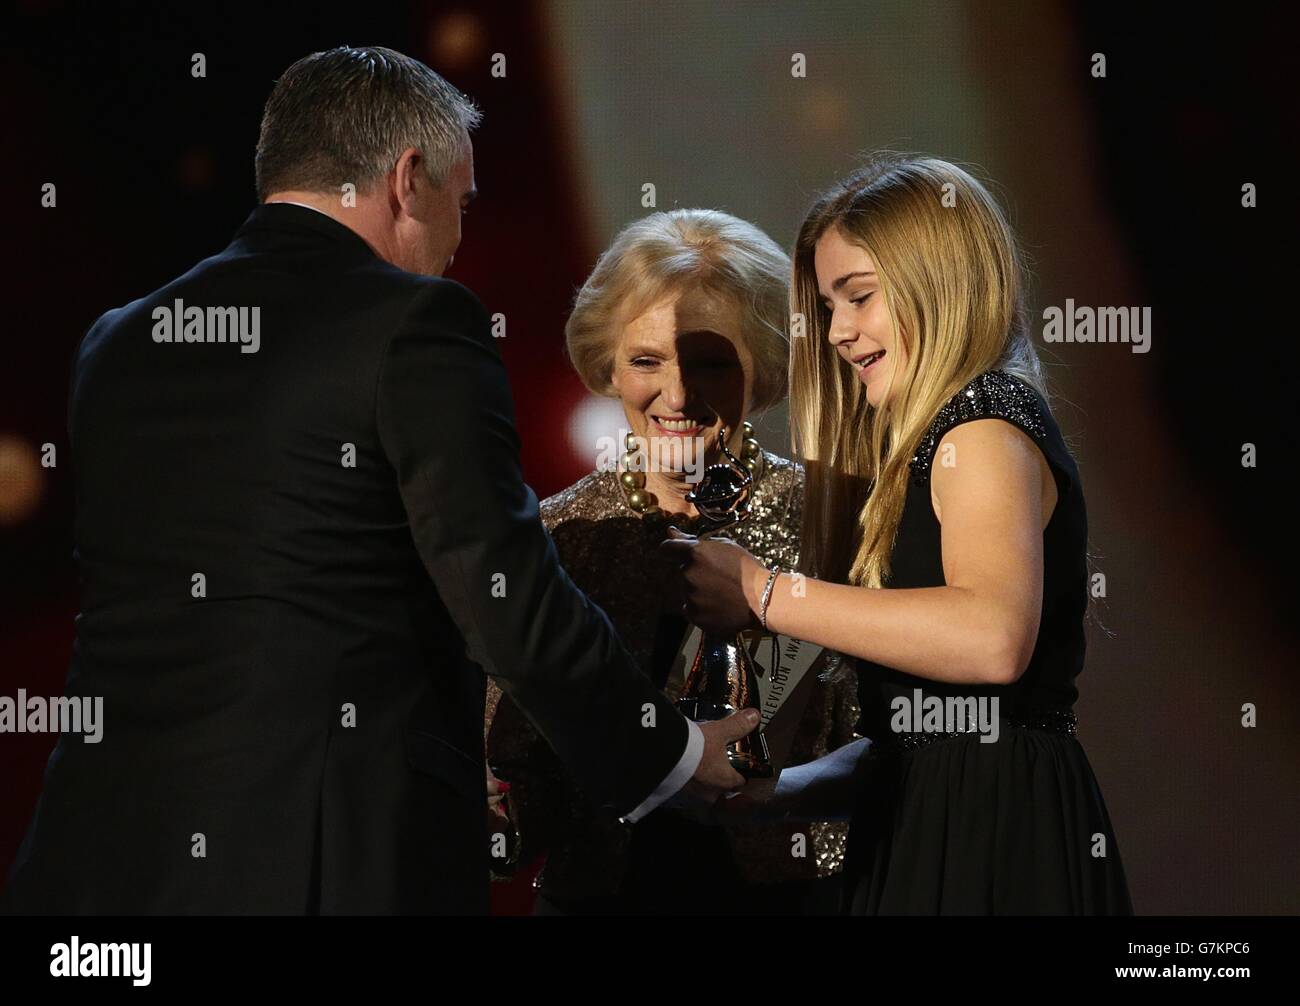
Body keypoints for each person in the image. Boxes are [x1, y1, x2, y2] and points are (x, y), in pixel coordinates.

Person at [1, 45, 752, 916]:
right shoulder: (414, 324)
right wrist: (668, 754)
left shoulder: (119, 342)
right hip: (318, 861)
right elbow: (505, 596)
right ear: (407, 179)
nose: (460, 239)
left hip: (95, 865)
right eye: (459, 203)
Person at [666, 155, 1134, 914]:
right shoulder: (930, 443)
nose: (840, 334)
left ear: (938, 283)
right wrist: (778, 794)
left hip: (995, 841)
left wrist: (762, 591)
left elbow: (992, 637)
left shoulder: (981, 422)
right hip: (930, 831)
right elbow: (920, 741)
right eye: (827, 307)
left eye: (859, 297)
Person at [485, 210, 861, 914]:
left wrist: (782, 793)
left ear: (765, 362)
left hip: (798, 898)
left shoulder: (837, 518)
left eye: (711, 362)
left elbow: (909, 746)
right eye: (647, 361)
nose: (679, 395)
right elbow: (517, 780)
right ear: (608, 364)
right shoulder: (556, 532)